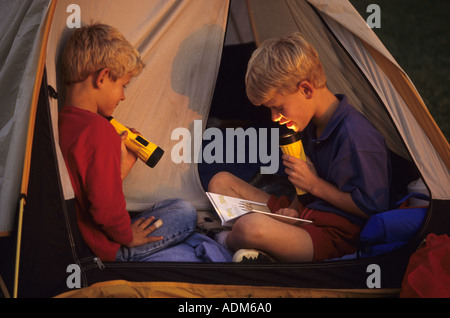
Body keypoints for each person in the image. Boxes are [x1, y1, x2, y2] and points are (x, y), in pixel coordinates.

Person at [208, 32, 391, 262]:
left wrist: (314, 185)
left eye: (278, 107)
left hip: (330, 235)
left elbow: (373, 207)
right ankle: (267, 244)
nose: (274, 118)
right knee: (220, 182)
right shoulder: (309, 125)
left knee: (249, 227)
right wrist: (293, 210)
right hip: (305, 215)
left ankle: (225, 239)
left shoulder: (356, 137)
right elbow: (301, 188)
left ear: (306, 89)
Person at [58, 23, 197, 262]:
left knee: (173, 204)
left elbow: (89, 190)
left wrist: (119, 170)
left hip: (86, 233)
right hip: (106, 246)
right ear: (102, 77)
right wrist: (127, 236)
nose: (123, 96)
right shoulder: (99, 130)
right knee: (186, 212)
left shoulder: (61, 120)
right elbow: (104, 209)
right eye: (122, 86)